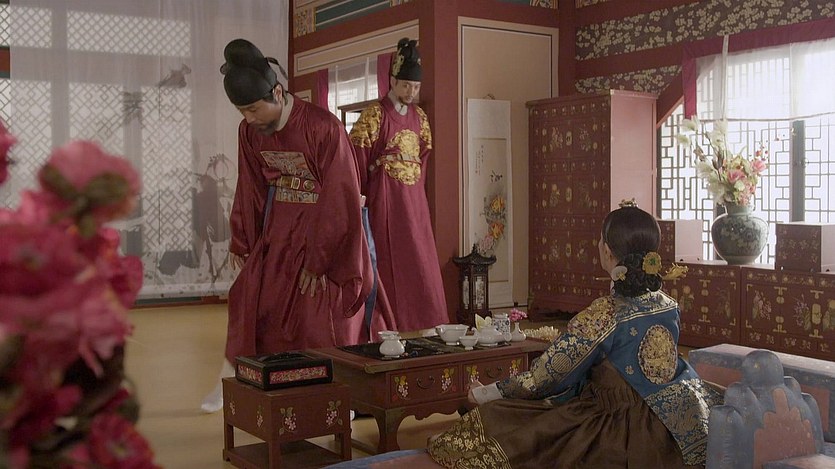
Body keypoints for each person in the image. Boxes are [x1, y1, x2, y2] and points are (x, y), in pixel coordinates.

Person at [427, 201, 722, 468]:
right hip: (676, 417)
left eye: (601, 240)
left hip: (621, 424)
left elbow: (545, 377)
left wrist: (487, 392)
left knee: (505, 417)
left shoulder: (604, 314)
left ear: (607, 251)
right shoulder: (667, 303)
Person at [201, 38, 375, 412]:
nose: (249, 118)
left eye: (253, 109)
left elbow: (340, 197)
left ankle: (337, 397)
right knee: (254, 301)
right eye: (242, 111)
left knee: (317, 314)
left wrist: (319, 260)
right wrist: (242, 240)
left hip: (323, 232)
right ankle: (241, 378)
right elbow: (250, 186)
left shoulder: (323, 127)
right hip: (279, 231)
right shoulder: (249, 132)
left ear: (277, 93)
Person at [348, 37, 448, 333]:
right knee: (387, 260)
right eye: (406, 86)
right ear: (392, 81)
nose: (411, 93)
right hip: (385, 200)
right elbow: (355, 158)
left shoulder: (421, 119)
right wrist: (359, 197)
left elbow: (424, 157)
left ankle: (426, 321)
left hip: (414, 203)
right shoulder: (374, 115)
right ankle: (389, 323)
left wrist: (418, 195)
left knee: (419, 258)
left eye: (415, 87)